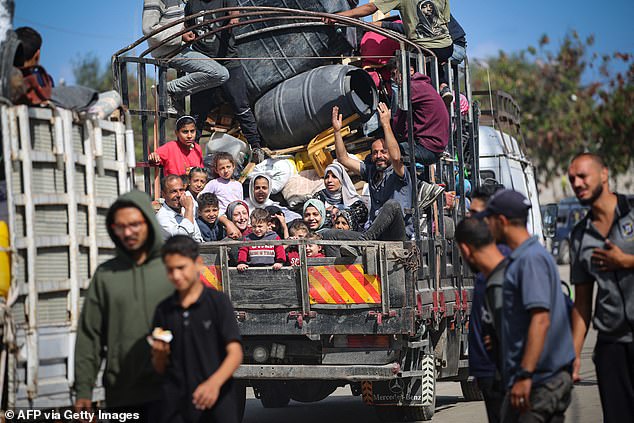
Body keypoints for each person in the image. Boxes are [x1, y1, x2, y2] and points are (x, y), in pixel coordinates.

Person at [477, 190, 575, 423]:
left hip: (539, 383)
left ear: (501, 221)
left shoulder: (530, 259)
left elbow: (540, 319)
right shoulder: (524, 257)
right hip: (534, 380)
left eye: (488, 220)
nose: (486, 226)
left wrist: (525, 375)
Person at [73, 191, 174, 419]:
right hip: (122, 394)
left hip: (172, 391)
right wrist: (83, 391)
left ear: (148, 221)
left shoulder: (172, 268)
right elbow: (90, 336)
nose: (128, 232)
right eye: (120, 226)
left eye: (135, 224)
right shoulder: (106, 275)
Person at [567, 153, 634, 422]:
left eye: (583, 176)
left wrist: (625, 261)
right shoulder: (580, 235)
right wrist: (573, 355)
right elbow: (582, 303)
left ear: (604, 175)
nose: (577, 183)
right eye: (572, 179)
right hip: (612, 345)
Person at [151, 235, 243, 423]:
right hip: (176, 405)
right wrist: (159, 354)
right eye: (170, 270)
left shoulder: (218, 303)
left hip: (217, 402)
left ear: (198, 264)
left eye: (181, 268)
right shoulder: (163, 309)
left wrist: (214, 384)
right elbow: (160, 366)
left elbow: (235, 353)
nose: (176, 276)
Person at [184, 0, 266, 163]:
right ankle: (190, 154)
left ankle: (256, 147)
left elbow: (234, 13)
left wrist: (233, 19)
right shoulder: (191, 4)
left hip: (227, 59)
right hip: (203, 62)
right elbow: (186, 27)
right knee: (198, 111)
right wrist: (186, 34)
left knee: (240, 104)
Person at [329, 0, 453, 92]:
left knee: (396, 77)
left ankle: (397, 117)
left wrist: (340, 16)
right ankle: (443, 87)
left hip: (424, 49)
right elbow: (446, 23)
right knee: (430, 62)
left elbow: (370, 7)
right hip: (447, 47)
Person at [456, 217, 508, 423]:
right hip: (489, 374)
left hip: (503, 375)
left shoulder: (503, 275)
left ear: (466, 250)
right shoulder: (483, 276)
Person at [142, 0, 229, 114]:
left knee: (220, 74)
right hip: (169, 51)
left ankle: (172, 94)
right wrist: (180, 36)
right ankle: (166, 89)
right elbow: (149, 29)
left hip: (179, 49)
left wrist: (184, 31)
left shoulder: (178, 1)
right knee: (219, 73)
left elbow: (173, 23)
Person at [389, 58, 449, 166]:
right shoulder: (422, 85)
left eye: (396, 74)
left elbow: (398, 125)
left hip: (427, 148)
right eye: (392, 75)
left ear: (411, 71)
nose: (394, 79)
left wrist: (385, 123)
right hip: (435, 147)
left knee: (386, 152)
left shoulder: (411, 88)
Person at [313, 162, 368, 232]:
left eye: (334, 176)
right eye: (327, 177)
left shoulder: (355, 202)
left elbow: (357, 216)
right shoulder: (318, 197)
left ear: (342, 179)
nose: (329, 180)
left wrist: (339, 208)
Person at [156, 175, 203, 242]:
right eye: (174, 191)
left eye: (181, 190)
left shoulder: (184, 210)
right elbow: (182, 239)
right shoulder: (162, 218)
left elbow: (197, 237)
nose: (179, 195)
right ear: (164, 194)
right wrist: (189, 209)